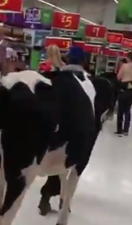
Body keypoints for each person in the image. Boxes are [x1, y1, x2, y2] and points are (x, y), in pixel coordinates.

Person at [38, 46, 89, 216]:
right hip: (72, 131)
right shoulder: (82, 80)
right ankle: (61, 200)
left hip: (49, 126)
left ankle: (52, 199)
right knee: (65, 168)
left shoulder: (46, 71)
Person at [115, 51, 132, 137]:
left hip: (123, 90)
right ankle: (126, 130)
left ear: (129, 57)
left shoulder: (124, 66)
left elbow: (118, 77)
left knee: (120, 111)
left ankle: (119, 130)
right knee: (127, 110)